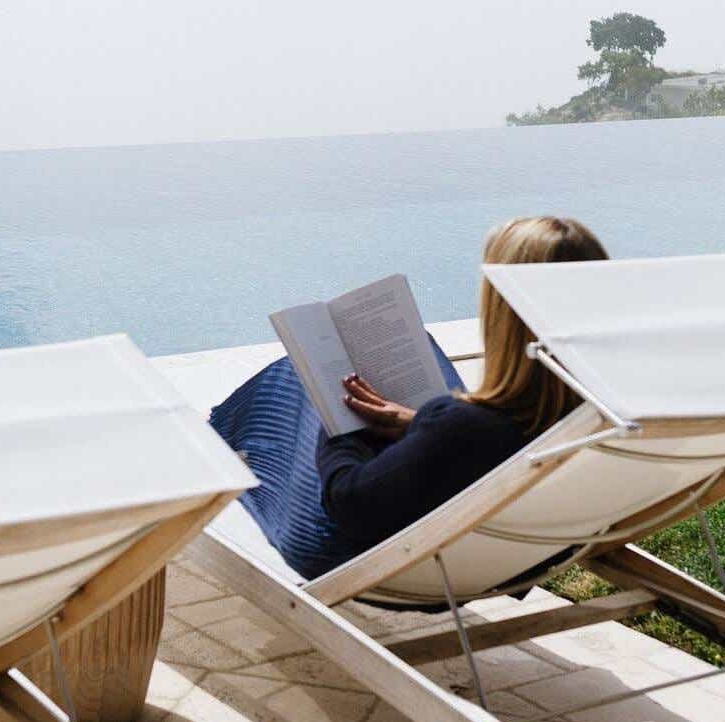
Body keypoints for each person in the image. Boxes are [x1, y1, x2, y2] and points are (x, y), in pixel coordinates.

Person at [209, 215, 608, 578]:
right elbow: (468, 447)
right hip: (502, 547)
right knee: (424, 346)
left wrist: (341, 420)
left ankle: (217, 444)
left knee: (302, 376)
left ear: (504, 310)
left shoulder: (467, 426)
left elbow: (347, 503)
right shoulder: (603, 413)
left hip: (362, 550)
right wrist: (416, 421)